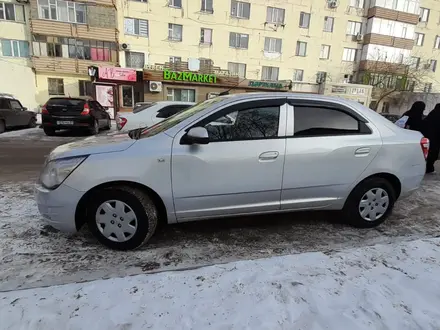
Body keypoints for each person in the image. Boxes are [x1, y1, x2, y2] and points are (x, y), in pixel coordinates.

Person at [422, 104, 440, 173]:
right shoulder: (437, 115)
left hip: (429, 137)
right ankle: (429, 168)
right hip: (434, 138)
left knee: (430, 153)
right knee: (433, 153)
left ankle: (428, 167)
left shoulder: (432, 114)